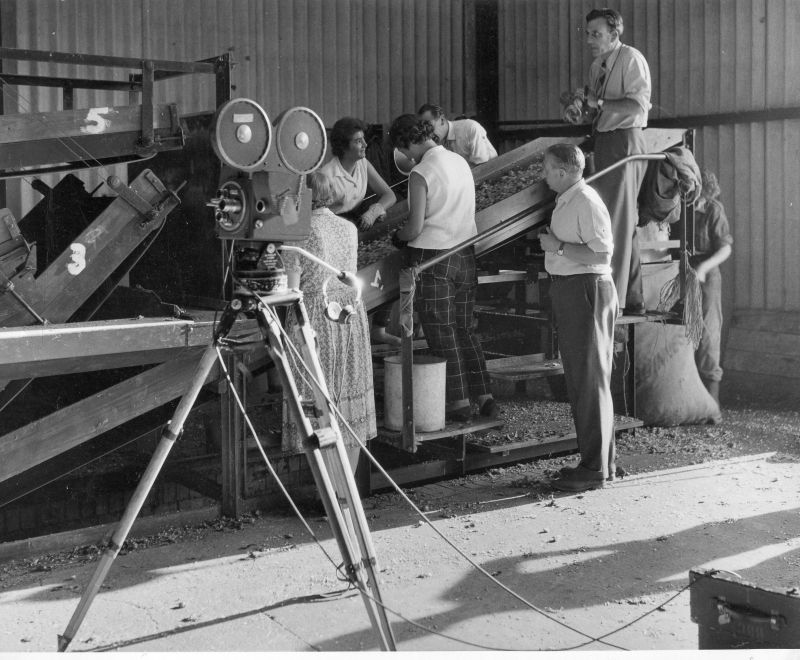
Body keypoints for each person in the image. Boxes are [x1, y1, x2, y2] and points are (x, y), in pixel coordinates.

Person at [389, 114, 498, 422]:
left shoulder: (421, 172)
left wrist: (397, 238)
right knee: (465, 329)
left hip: (433, 258)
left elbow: (414, 227)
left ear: (408, 143)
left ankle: (459, 402)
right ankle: (485, 396)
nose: (407, 157)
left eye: (405, 151)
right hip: (465, 254)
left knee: (441, 331)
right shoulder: (459, 162)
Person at [281, 171, 377, 479]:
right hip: (349, 317)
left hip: (313, 319)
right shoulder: (348, 227)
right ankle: (345, 495)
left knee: (318, 405)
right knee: (348, 406)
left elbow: (291, 289)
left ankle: (331, 495)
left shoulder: (298, 232)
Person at [538, 143, 618, 492]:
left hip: (586, 288)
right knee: (587, 377)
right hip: (574, 288)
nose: (544, 175)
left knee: (589, 378)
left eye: (547, 168)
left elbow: (601, 252)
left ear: (565, 170)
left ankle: (594, 468)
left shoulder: (585, 200)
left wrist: (555, 247)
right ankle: (600, 463)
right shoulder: (569, 200)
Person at [583, 7, 651, 315]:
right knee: (617, 221)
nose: (590, 40)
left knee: (616, 223)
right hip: (605, 140)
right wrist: (581, 109)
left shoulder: (631, 59)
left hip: (626, 141)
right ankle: (632, 297)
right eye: (587, 34)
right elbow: (598, 109)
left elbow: (636, 106)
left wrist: (598, 102)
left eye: (596, 34)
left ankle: (617, 303)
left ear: (615, 34)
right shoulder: (598, 65)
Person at [692, 169, 733, 407]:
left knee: (708, 331)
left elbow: (725, 248)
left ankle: (711, 397)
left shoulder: (713, 209)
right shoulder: (678, 208)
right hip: (683, 271)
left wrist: (704, 268)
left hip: (707, 273)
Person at [319, 116, 397, 231]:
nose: (365, 145)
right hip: (333, 229)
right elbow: (317, 216)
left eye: (363, 139)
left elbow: (390, 195)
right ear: (343, 146)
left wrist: (376, 210)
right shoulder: (327, 175)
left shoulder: (362, 163)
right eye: (358, 141)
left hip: (355, 224)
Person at [417, 103, 498, 166]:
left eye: (429, 126)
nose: (427, 132)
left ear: (441, 120)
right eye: (423, 128)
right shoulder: (435, 141)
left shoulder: (469, 128)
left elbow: (482, 166)